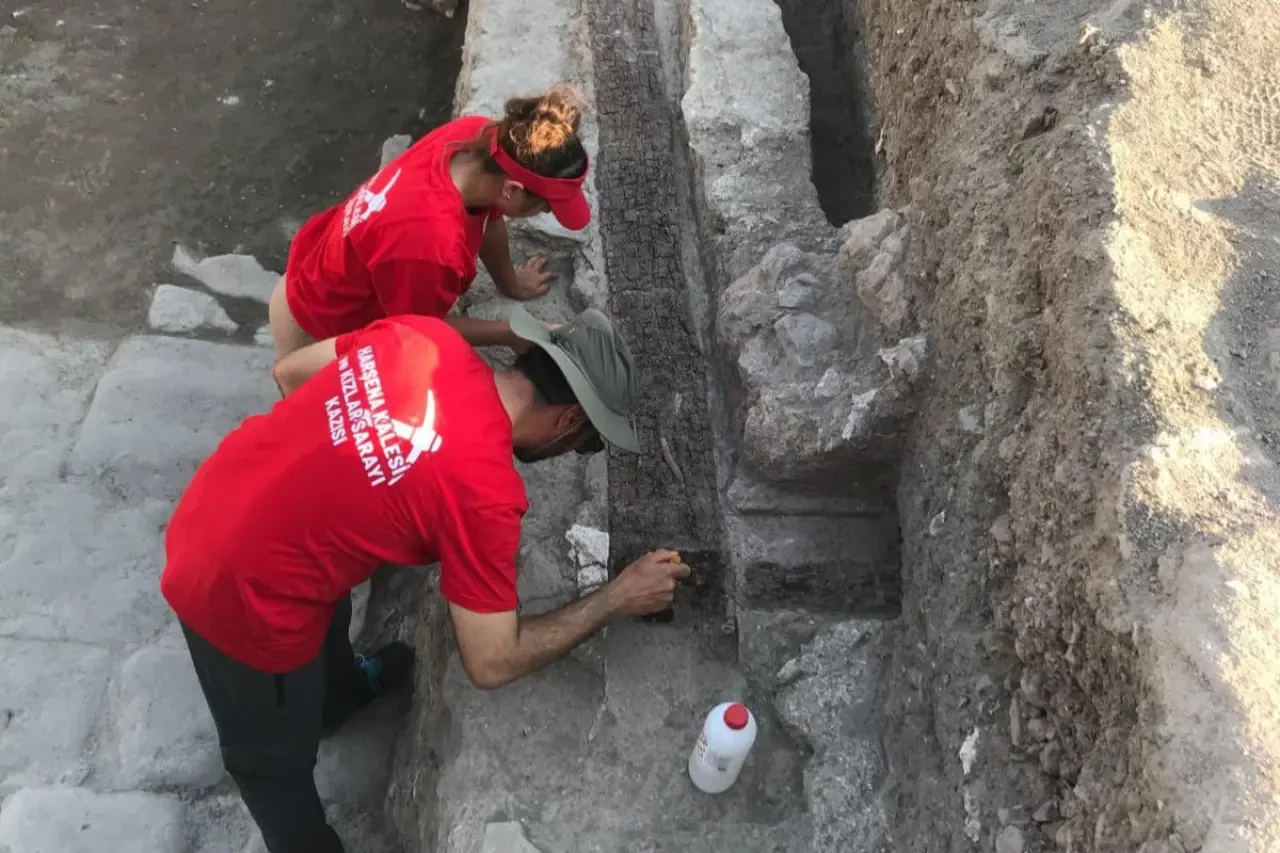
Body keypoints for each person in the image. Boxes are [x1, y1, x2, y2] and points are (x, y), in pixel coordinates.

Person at [160, 305, 688, 853]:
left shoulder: (425, 337)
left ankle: (334, 696)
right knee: (270, 760)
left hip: (221, 491)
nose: (573, 452)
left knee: (329, 596)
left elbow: (289, 372)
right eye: (586, 443)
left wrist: (343, 469)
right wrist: (616, 597)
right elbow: (491, 660)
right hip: (230, 584)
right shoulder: (484, 494)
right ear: (569, 421)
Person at [267, 84, 592, 360]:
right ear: (512, 189)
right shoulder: (432, 241)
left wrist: (510, 283)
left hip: (317, 267)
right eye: (544, 207)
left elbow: (489, 218)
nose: (544, 213)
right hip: (315, 331)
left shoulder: (480, 139)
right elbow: (419, 328)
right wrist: (509, 333)